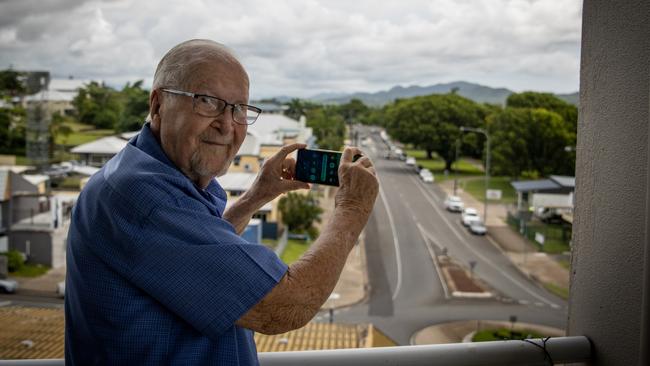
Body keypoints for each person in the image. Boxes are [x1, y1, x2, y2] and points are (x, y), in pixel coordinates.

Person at [65, 39, 378, 365]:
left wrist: (258, 195)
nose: (227, 124)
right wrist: (352, 209)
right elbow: (285, 306)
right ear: (158, 105)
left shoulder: (147, 177)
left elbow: (193, 261)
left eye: (239, 108)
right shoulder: (147, 199)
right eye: (207, 101)